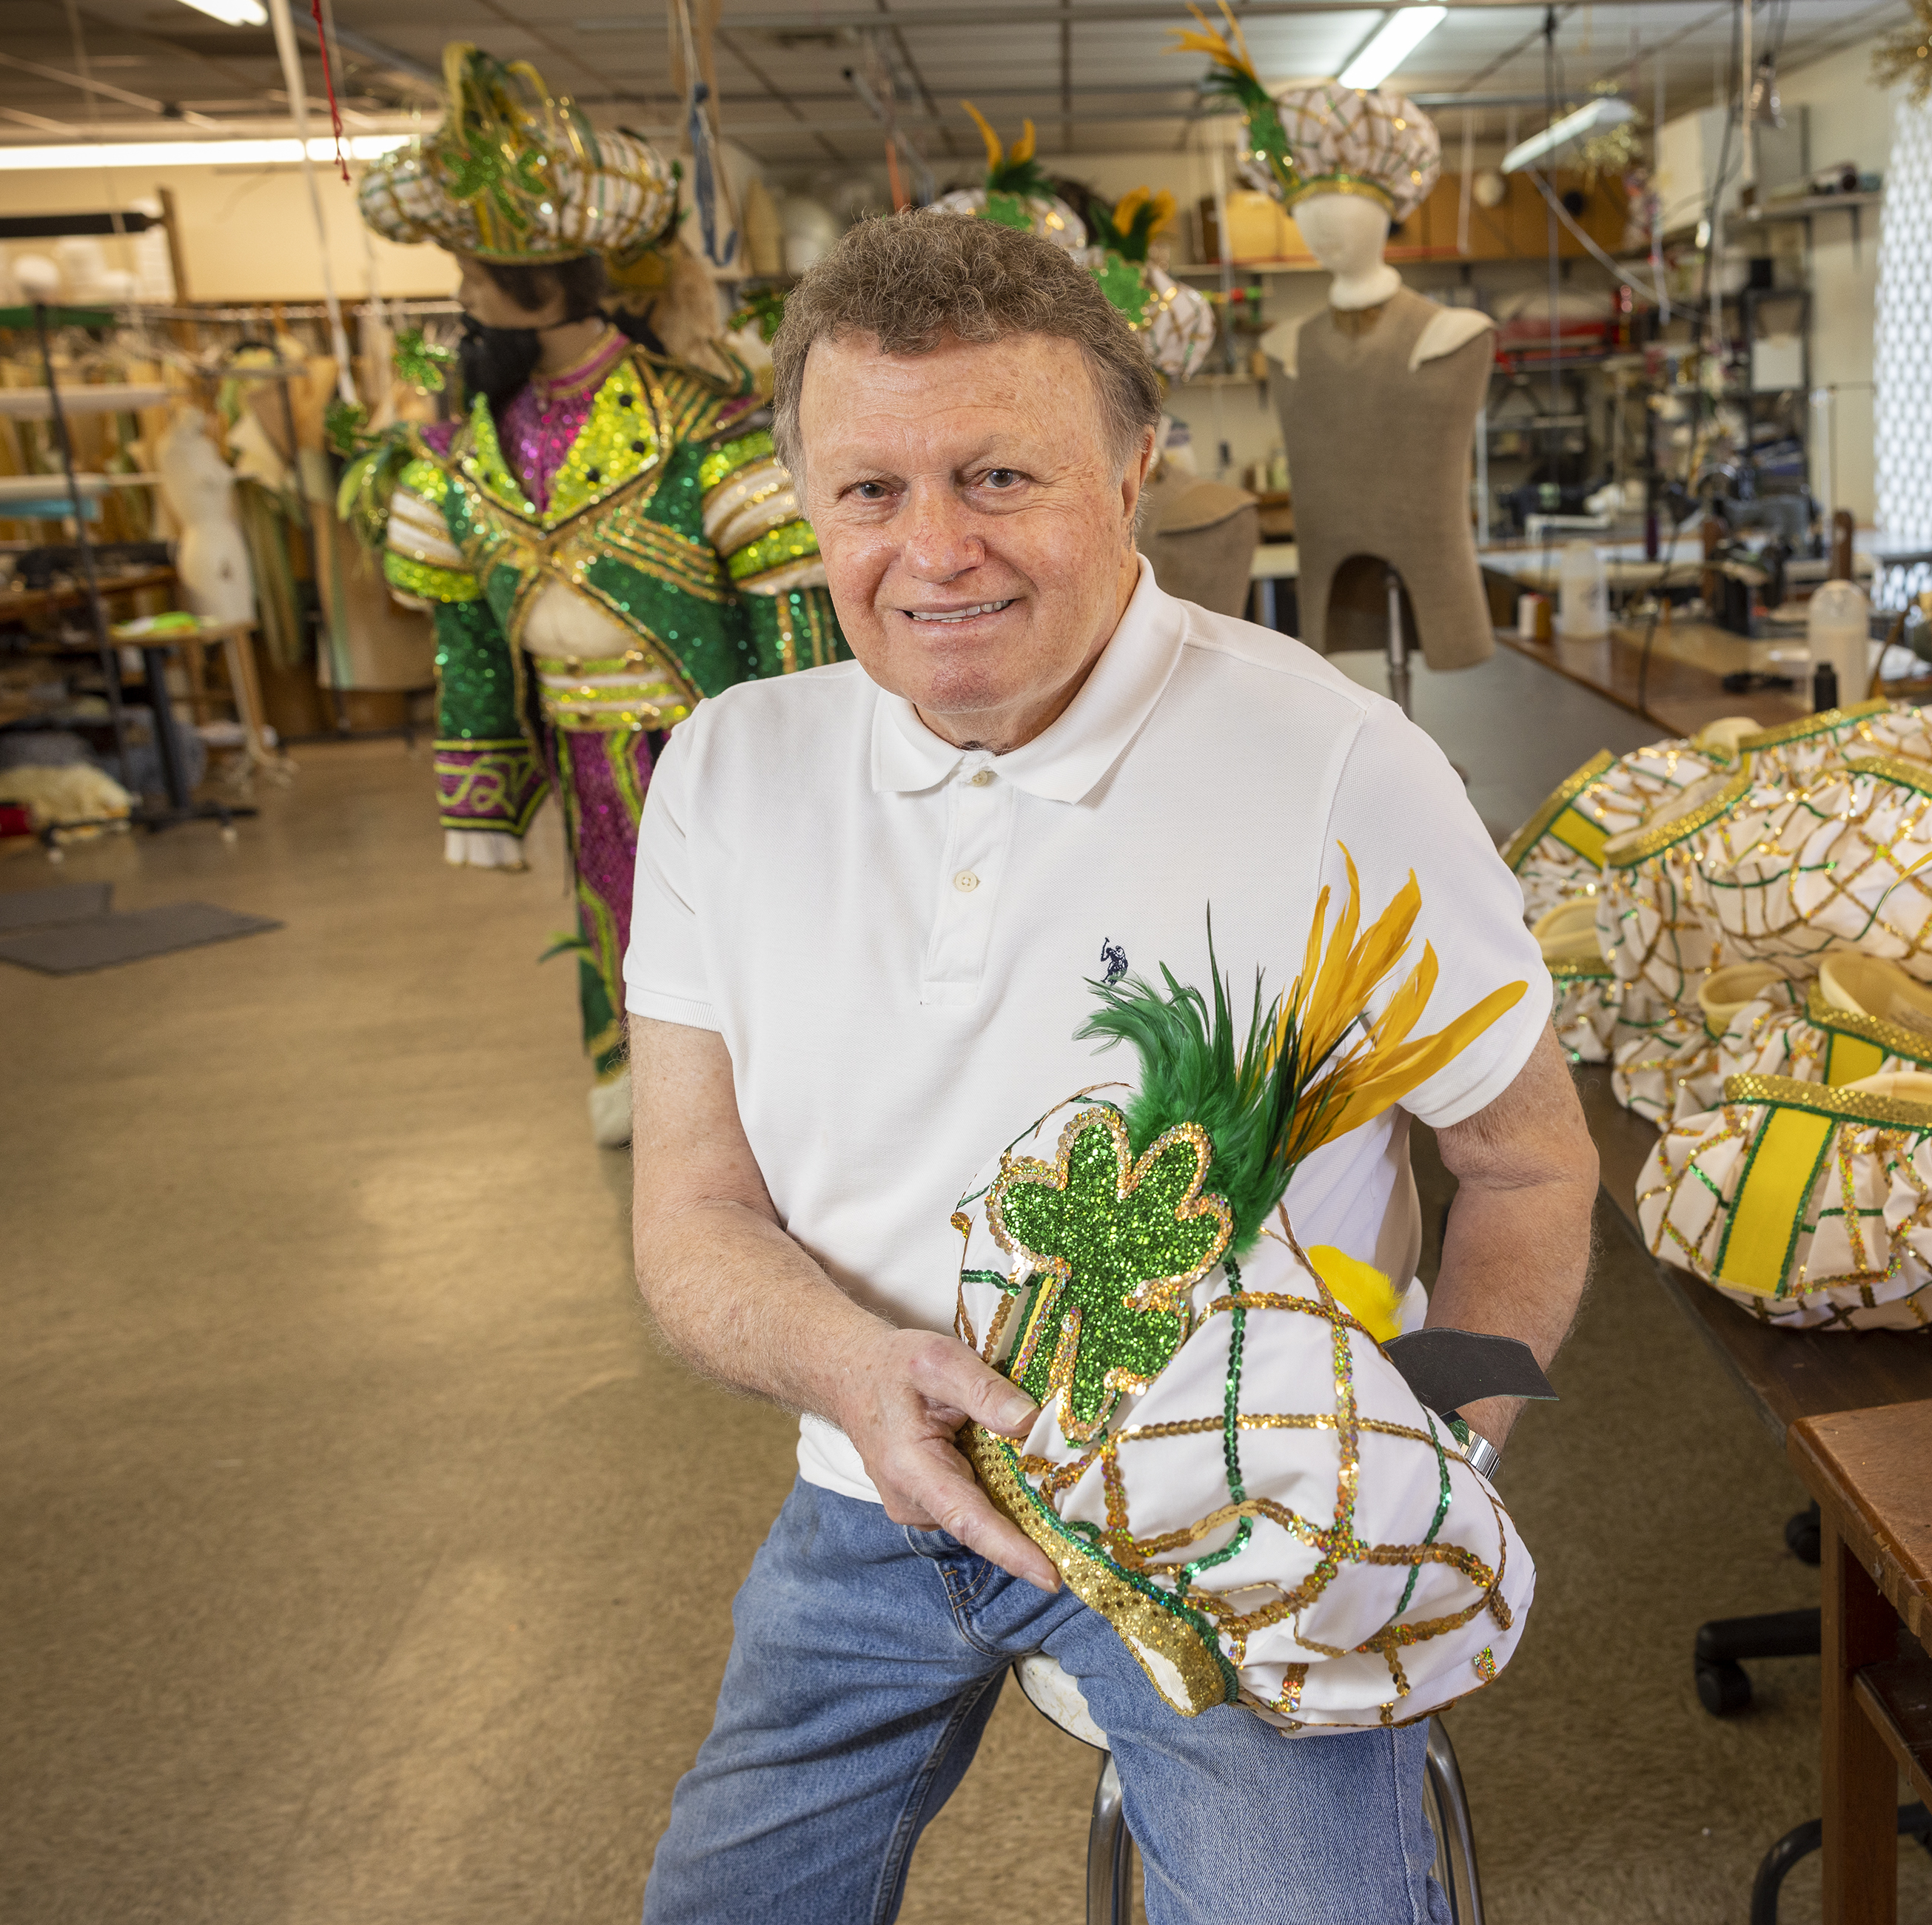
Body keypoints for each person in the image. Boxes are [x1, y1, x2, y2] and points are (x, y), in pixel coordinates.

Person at [623, 209, 1597, 1923]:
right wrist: (858, 1373)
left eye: (1000, 476)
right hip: (870, 1502)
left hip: (1223, 1524)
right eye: (868, 492)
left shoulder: (1334, 766)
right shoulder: (725, 769)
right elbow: (693, 1206)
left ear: (1138, 467)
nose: (933, 552)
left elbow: (1529, 1160)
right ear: (802, 503)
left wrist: (1420, 1458)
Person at [354, 45, 845, 1146]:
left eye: (477, 262)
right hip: (579, 744)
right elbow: (467, 632)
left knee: (742, 919)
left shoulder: (699, 425)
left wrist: (819, 761)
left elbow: (790, 619)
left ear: (548, 273)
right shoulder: (464, 448)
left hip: (703, 737)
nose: (463, 286)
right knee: (608, 916)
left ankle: (776, 1091)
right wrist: (479, 778)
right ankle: (636, 1081)